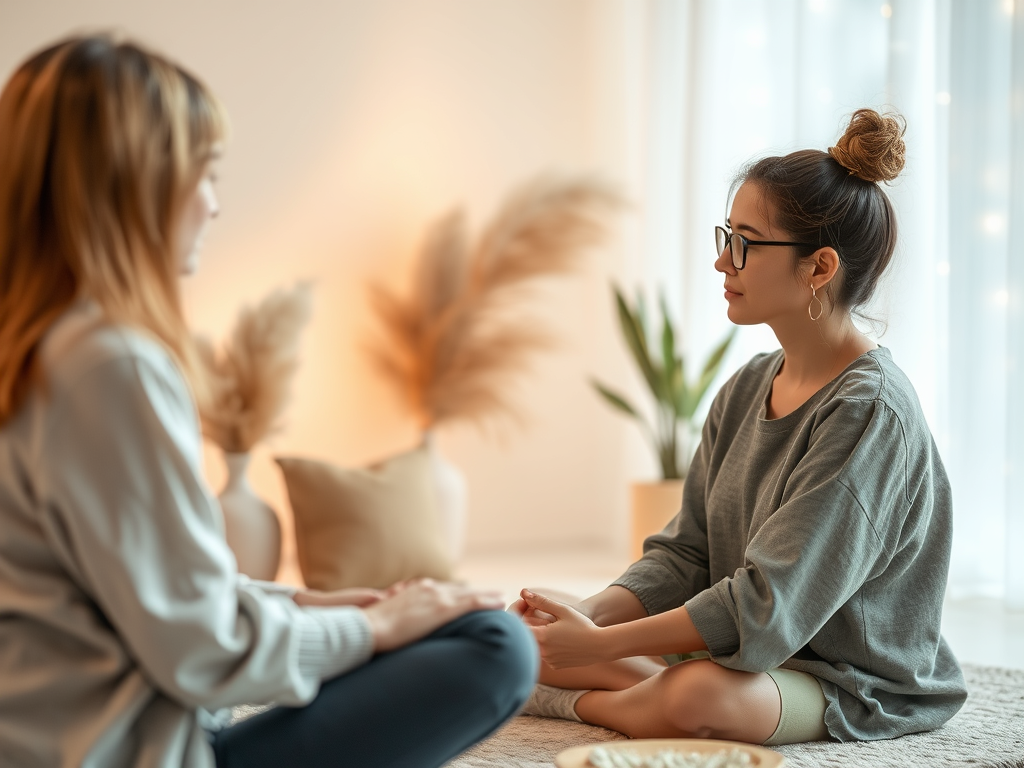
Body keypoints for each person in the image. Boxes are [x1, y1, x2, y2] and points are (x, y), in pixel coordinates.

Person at [0, 34, 536, 768]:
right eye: (206, 175)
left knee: (435, 622)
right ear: (138, 181)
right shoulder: (107, 365)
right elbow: (202, 648)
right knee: (495, 646)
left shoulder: (32, 352)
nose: (214, 206)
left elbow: (146, 593)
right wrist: (378, 629)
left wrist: (319, 606)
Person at [511, 109, 967, 746]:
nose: (723, 261)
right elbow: (685, 554)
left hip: (846, 680)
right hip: (748, 658)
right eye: (726, 234)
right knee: (531, 625)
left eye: (745, 243)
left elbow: (766, 603)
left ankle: (581, 701)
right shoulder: (748, 385)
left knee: (695, 694)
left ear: (819, 267)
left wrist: (594, 648)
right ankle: (620, 680)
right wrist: (582, 619)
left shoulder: (868, 413)